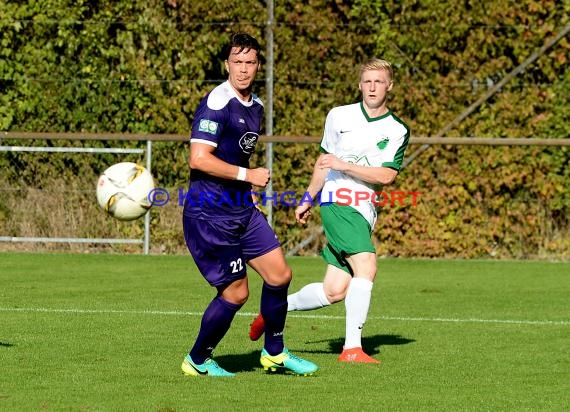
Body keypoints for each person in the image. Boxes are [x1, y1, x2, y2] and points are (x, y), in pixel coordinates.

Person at [249, 58, 410, 364]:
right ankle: (352, 349)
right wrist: (308, 197)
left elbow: (387, 176)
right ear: (359, 84)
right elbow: (324, 162)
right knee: (367, 267)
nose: (372, 87)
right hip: (338, 201)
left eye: (379, 81)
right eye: (367, 81)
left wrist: (344, 164)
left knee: (334, 290)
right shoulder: (339, 116)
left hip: (364, 209)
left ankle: (271, 312)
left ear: (390, 85)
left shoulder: (397, 129)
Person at [181, 33, 318, 377]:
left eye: (250, 62)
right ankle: (197, 360)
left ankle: (274, 353)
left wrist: (247, 187)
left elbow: (234, 152)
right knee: (237, 293)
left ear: (259, 66)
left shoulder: (255, 105)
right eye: (237, 62)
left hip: (242, 209)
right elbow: (199, 159)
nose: (243, 69)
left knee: (280, 275)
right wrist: (249, 174)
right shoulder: (217, 103)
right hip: (210, 215)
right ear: (226, 65)